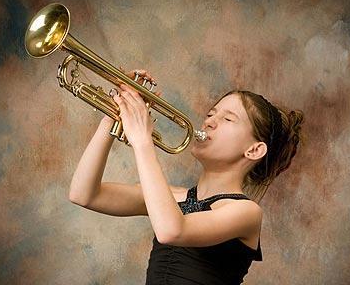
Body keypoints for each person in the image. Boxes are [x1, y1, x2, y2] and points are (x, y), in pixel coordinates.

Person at [69, 70, 304, 284]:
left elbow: (172, 230)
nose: (210, 121)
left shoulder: (246, 212)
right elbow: (84, 194)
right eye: (212, 113)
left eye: (228, 119)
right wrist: (114, 115)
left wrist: (142, 140)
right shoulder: (170, 197)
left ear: (254, 150)